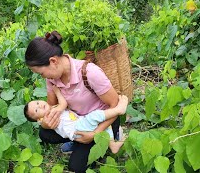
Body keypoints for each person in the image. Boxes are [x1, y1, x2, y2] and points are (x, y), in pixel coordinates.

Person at [25, 30, 123, 172]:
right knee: (44, 133)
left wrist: (94, 134)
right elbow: (52, 106)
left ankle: (109, 137)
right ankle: (79, 142)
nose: (43, 77)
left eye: (41, 73)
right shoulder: (52, 78)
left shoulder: (89, 72)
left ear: (53, 61)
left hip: (103, 120)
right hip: (77, 121)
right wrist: (46, 123)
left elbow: (115, 105)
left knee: (76, 168)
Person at [24, 85, 128, 154]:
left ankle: (112, 145)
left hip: (78, 126)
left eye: (37, 102)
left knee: (101, 124)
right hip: (77, 129)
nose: (40, 106)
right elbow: (63, 104)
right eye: (37, 110)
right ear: (39, 119)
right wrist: (57, 92)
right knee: (94, 116)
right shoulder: (48, 116)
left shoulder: (52, 108)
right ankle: (118, 110)